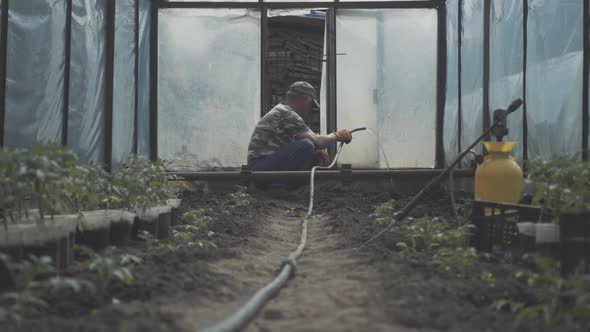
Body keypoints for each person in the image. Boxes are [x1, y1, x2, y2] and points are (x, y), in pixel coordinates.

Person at [247, 81, 353, 172]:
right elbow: (318, 141)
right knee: (306, 145)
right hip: (260, 167)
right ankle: (279, 187)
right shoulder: (287, 113)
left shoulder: (282, 110)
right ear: (306, 99)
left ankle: (286, 187)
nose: (310, 110)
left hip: (261, 165)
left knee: (312, 153)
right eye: (311, 105)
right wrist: (338, 135)